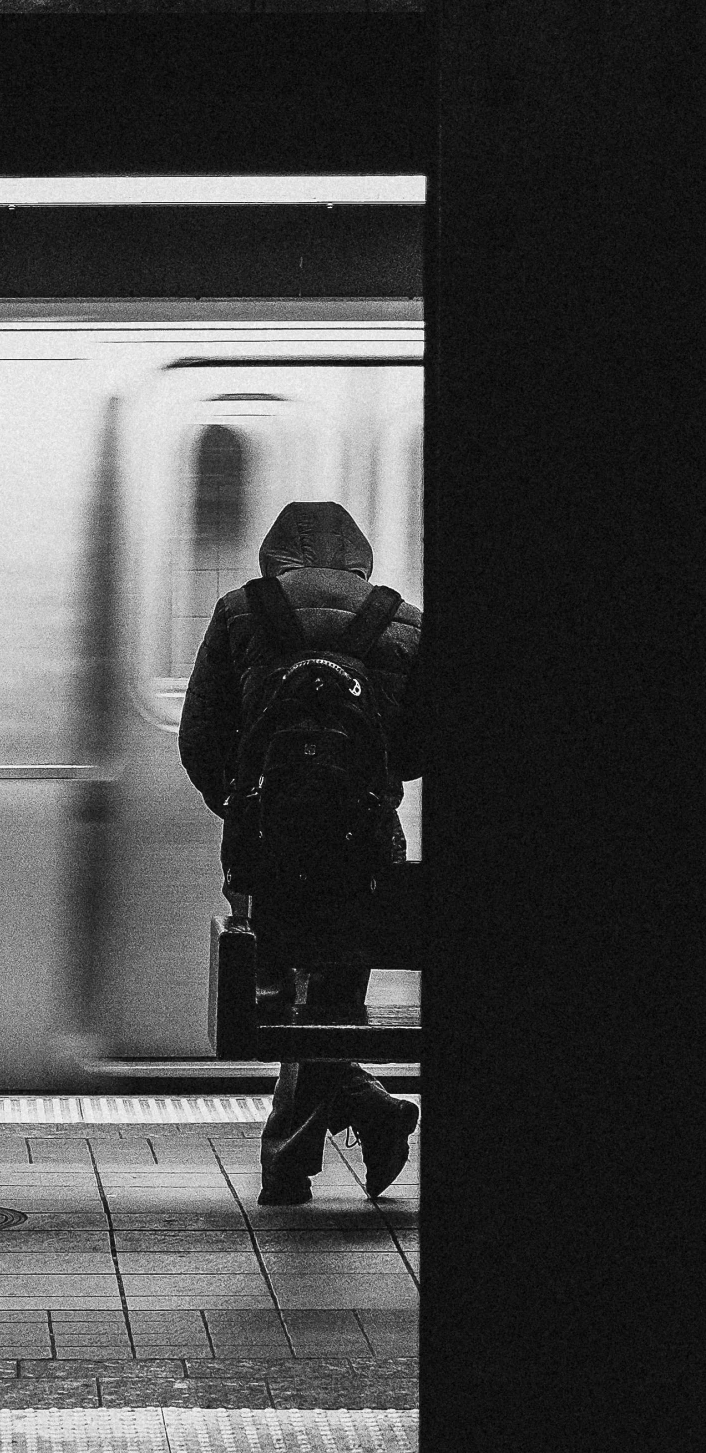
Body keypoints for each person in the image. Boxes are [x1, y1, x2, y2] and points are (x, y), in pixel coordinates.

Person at [179, 500, 425, 1204]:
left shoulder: (239, 610)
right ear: (358, 557)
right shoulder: (401, 620)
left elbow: (201, 734)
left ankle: (293, 1166)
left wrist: (242, 806)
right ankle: (341, 1131)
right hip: (362, 857)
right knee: (331, 1009)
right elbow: (418, 747)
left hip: (263, 854)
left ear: (273, 554)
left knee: (283, 1005)